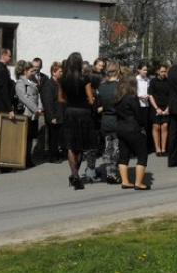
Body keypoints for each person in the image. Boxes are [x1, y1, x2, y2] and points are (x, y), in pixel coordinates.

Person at [61, 52, 96, 190]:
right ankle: (75, 175)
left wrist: (70, 102)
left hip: (70, 112)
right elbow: (91, 99)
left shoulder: (63, 79)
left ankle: (74, 174)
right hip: (83, 113)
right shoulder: (85, 78)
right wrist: (85, 101)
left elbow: (60, 98)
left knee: (70, 145)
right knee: (81, 145)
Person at [114, 74, 150, 190]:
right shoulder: (132, 98)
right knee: (142, 154)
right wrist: (144, 126)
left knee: (124, 155)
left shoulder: (118, 97)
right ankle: (138, 183)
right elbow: (138, 115)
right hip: (133, 128)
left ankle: (125, 181)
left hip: (121, 128)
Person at [96, 60, 121, 184]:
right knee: (116, 147)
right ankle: (113, 172)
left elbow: (98, 106)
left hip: (105, 119)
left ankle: (109, 172)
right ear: (118, 71)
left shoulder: (101, 87)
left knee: (107, 147)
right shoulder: (120, 87)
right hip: (116, 119)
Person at [15, 60, 43, 168]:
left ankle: (28, 158)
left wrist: (40, 107)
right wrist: (36, 109)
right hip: (27, 113)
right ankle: (23, 159)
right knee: (25, 137)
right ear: (25, 71)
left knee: (31, 137)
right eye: (31, 70)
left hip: (34, 113)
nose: (33, 72)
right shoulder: (20, 83)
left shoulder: (32, 81)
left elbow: (38, 95)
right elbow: (24, 98)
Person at [41, 62, 66, 163]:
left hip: (60, 114)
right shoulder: (48, 84)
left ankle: (57, 154)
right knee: (53, 137)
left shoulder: (59, 83)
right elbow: (48, 102)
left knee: (58, 136)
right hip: (54, 115)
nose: (62, 73)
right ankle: (52, 157)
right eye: (60, 71)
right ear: (53, 72)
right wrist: (52, 117)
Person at [148, 63, 170, 157]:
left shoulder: (169, 81)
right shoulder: (153, 82)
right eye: (162, 71)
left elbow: (172, 95)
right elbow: (150, 95)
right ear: (158, 72)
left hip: (166, 106)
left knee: (164, 126)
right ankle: (157, 148)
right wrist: (156, 108)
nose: (163, 73)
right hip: (155, 107)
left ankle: (163, 148)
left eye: (165, 71)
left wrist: (168, 108)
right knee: (156, 127)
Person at [0, 48, 16, 124]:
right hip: (3, 107)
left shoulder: (2, 69)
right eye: (9, 56)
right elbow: (4, 91)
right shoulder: (1, 70)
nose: (10, 58)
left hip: (2, 105)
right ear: (3, 56)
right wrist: (9, 109)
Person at [135, 61, 151, 151]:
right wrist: (139, 96)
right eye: (144, 70)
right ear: (139, 70)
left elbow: (149, 91)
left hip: (146, 105)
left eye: (146, 70)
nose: (145, 72)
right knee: (138, 126)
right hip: (138, 105)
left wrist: (148, 95)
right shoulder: (135, 80)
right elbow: (134, 92)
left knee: (145, 126)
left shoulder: (148, 80)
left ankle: (144, 146)